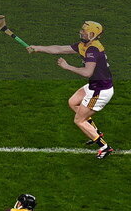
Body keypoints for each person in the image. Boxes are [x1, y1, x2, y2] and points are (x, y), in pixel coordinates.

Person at [27, 21, 115, 158]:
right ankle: (94, 131)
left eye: (85, 32)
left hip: (100, 90)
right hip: (95, 85)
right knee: (73, 102)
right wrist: (38, 48)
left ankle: (104, 147)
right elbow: (59, 49)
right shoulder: (84, 45)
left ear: (93, 35)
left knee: (79, 120)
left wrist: (67, 66)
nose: (82, 33)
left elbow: (87, 73)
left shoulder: (93, 50)